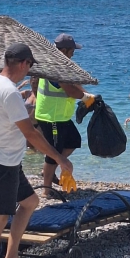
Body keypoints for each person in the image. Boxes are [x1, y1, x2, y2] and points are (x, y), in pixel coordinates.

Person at [0, 42, 74, 258]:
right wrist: (60, 159)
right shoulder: (9, 92)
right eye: (30, 66)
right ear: (23, 63)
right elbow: (30, 133)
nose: (30, 72)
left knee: (30, 202)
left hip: (0, 158)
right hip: (1, 162)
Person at [28, 33, 95, 196]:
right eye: (72, 50)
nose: (73, 53)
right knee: (54, 152)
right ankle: (45, 189)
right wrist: (85, 97)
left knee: (74, 141)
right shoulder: (56, 66)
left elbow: (75, 85)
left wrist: (90, 95)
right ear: (64, 50)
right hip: (51, 117)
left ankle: (50, 169)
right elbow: (69, 89)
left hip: (61, 116)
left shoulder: (61, 64)